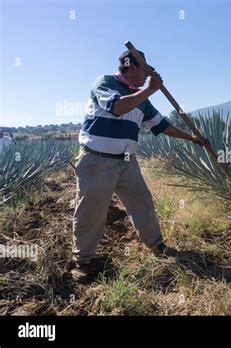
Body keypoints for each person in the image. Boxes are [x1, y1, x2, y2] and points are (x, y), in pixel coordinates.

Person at [71, 49, 208, 282]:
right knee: (91, 211)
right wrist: (150, 90)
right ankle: (83, 261)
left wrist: (191, 138)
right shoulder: (105, 83)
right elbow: (116, 107)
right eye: (145, 70)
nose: (147, 75)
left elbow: (161, 125)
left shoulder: (141, 98)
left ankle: (156, 245)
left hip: (126, 162)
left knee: (142, 202)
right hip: (97, 161)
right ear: (132, 67)